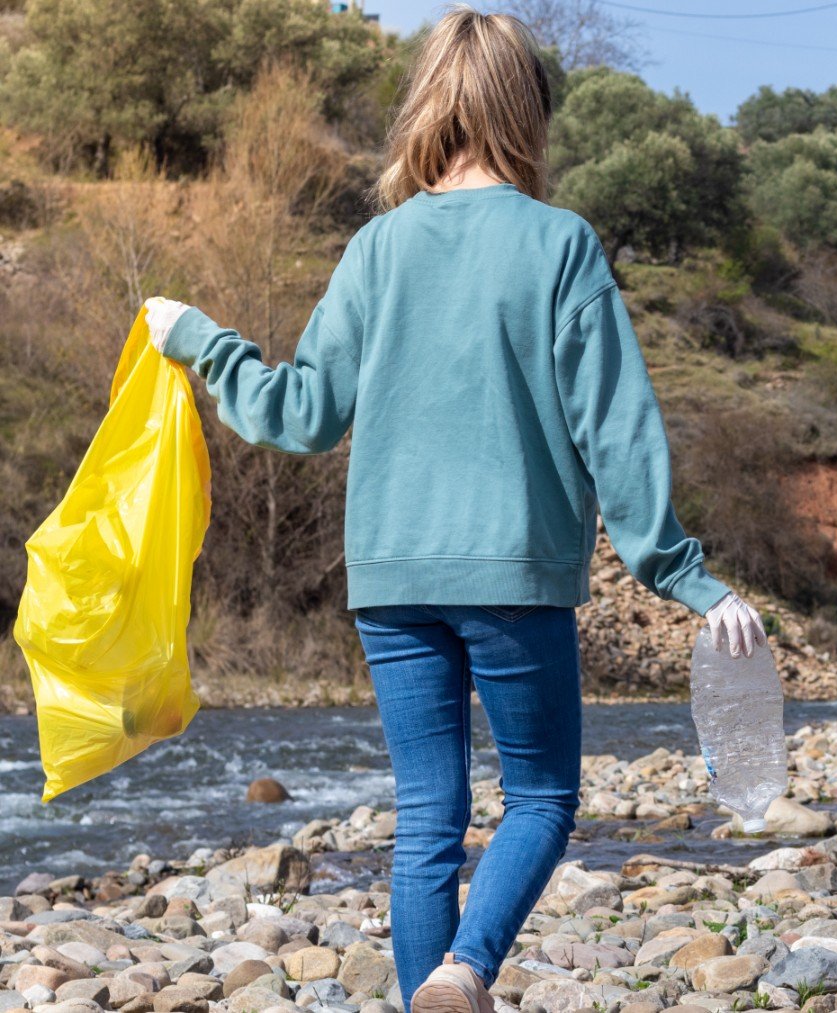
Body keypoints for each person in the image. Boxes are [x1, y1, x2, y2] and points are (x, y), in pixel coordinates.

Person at [142, 9, 766, 1013]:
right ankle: (465, 970)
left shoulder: (375, 250)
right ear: (529, 110)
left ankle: (430, 994)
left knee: (428, 811)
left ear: (425, 106)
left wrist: (201, 340)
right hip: (510, 572)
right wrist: (684, 575)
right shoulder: (561, 245)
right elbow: (618, 428)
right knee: (544, 797)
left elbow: (297, 413)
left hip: (390, 578)